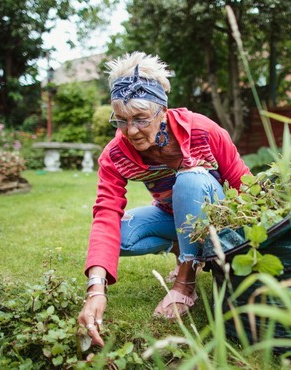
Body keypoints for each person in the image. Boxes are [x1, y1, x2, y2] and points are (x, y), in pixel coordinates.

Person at [77, 52, 250, 347]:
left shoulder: (204, 131)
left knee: (191, 178)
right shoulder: (115, 155)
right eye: (121, 120)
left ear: (162, 111)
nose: (131, 131)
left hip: (218, 221)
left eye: (141, 119)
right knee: (117, 238)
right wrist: (96, 288)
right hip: (171, 215)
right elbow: (106, 213)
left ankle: (186, 281)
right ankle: (183, 248)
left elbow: (243, 183)